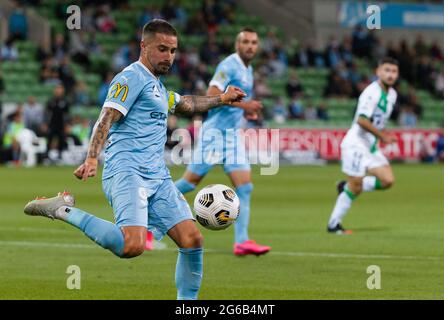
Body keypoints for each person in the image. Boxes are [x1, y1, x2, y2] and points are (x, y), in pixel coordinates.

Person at [23, 19, 245, 300]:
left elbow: (187, 103)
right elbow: (106, 117)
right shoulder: (131, 77)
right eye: (162, 49)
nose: (169, 56)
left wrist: (222, 99)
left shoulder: (158, 88)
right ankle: (61, 209)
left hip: (158, 176)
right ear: (144, 46)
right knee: (132, 246)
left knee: (192, 239)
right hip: (127, 171)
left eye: (173, 50)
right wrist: (92, 158)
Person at [174, 28, 271, 256]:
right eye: (246, 42)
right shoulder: (229, 65)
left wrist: (244, 112)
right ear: (237, 45)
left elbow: (235, 100)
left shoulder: (248, 69)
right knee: (188, 184)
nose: (250, 46)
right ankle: (148, 217)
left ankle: (242, 242)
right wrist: (246, 106)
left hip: (231, 135)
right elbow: (213, 92)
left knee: (245, 187)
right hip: (214, 134)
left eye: (254, 42)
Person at [327, 57, 399, 234]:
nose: (390, 75)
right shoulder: (371, 93)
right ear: (378, 72)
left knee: (387, 180)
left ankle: (346, 187)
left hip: (370, 146)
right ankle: (333, 225)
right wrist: (383, 136)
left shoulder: (392, 94)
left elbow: (379, 120)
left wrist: (380, 134)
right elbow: (361, 120)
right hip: (356, 144)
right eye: (387, 70)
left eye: (394, 71)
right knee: (356, 188)